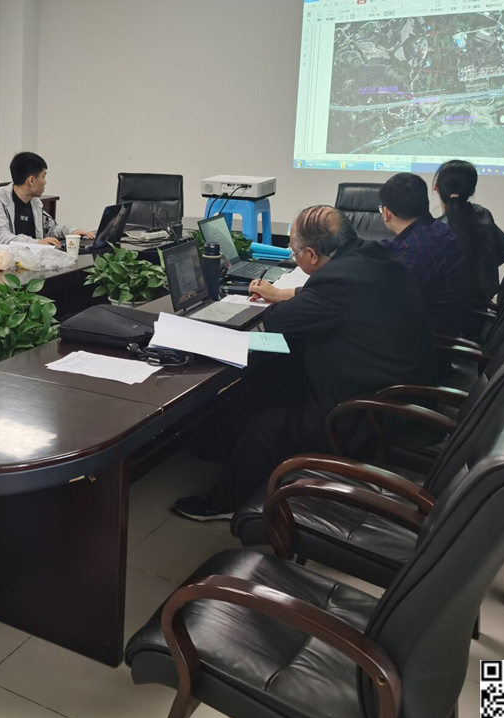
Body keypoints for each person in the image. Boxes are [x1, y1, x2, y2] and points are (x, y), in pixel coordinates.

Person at [173, 206, 433, 520]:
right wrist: (290, 293)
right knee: (272, 377)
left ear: (310, 254)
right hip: (397, 390)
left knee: (266, 427)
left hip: (364, 415)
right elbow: (338, 300)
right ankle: (220, 447)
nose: (294, 256)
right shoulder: (374, 255)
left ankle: (222, 505)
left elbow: (279, 321)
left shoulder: (336, 281)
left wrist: (283, 301)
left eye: (294, 252)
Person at [378, 172, 468, 337]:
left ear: (386, 213)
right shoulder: (434, 228)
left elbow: (387, 301)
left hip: (427, 339)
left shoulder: (415, 251)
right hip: (439, 324)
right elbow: (392, 246)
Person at [434, 159, 504, 308]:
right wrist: (481, 265)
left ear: (436, 188)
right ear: (472, 191)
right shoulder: (482, 214)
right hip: (482, 304)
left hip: (448, 312)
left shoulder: (436, 229)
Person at [0, 151, 93, 247]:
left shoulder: (34, 201)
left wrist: (72, 232)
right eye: (43, 176)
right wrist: (37, 243)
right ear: (31, 180)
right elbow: (0, 237)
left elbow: (50, 229)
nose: (45, 182)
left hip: (27, 260)